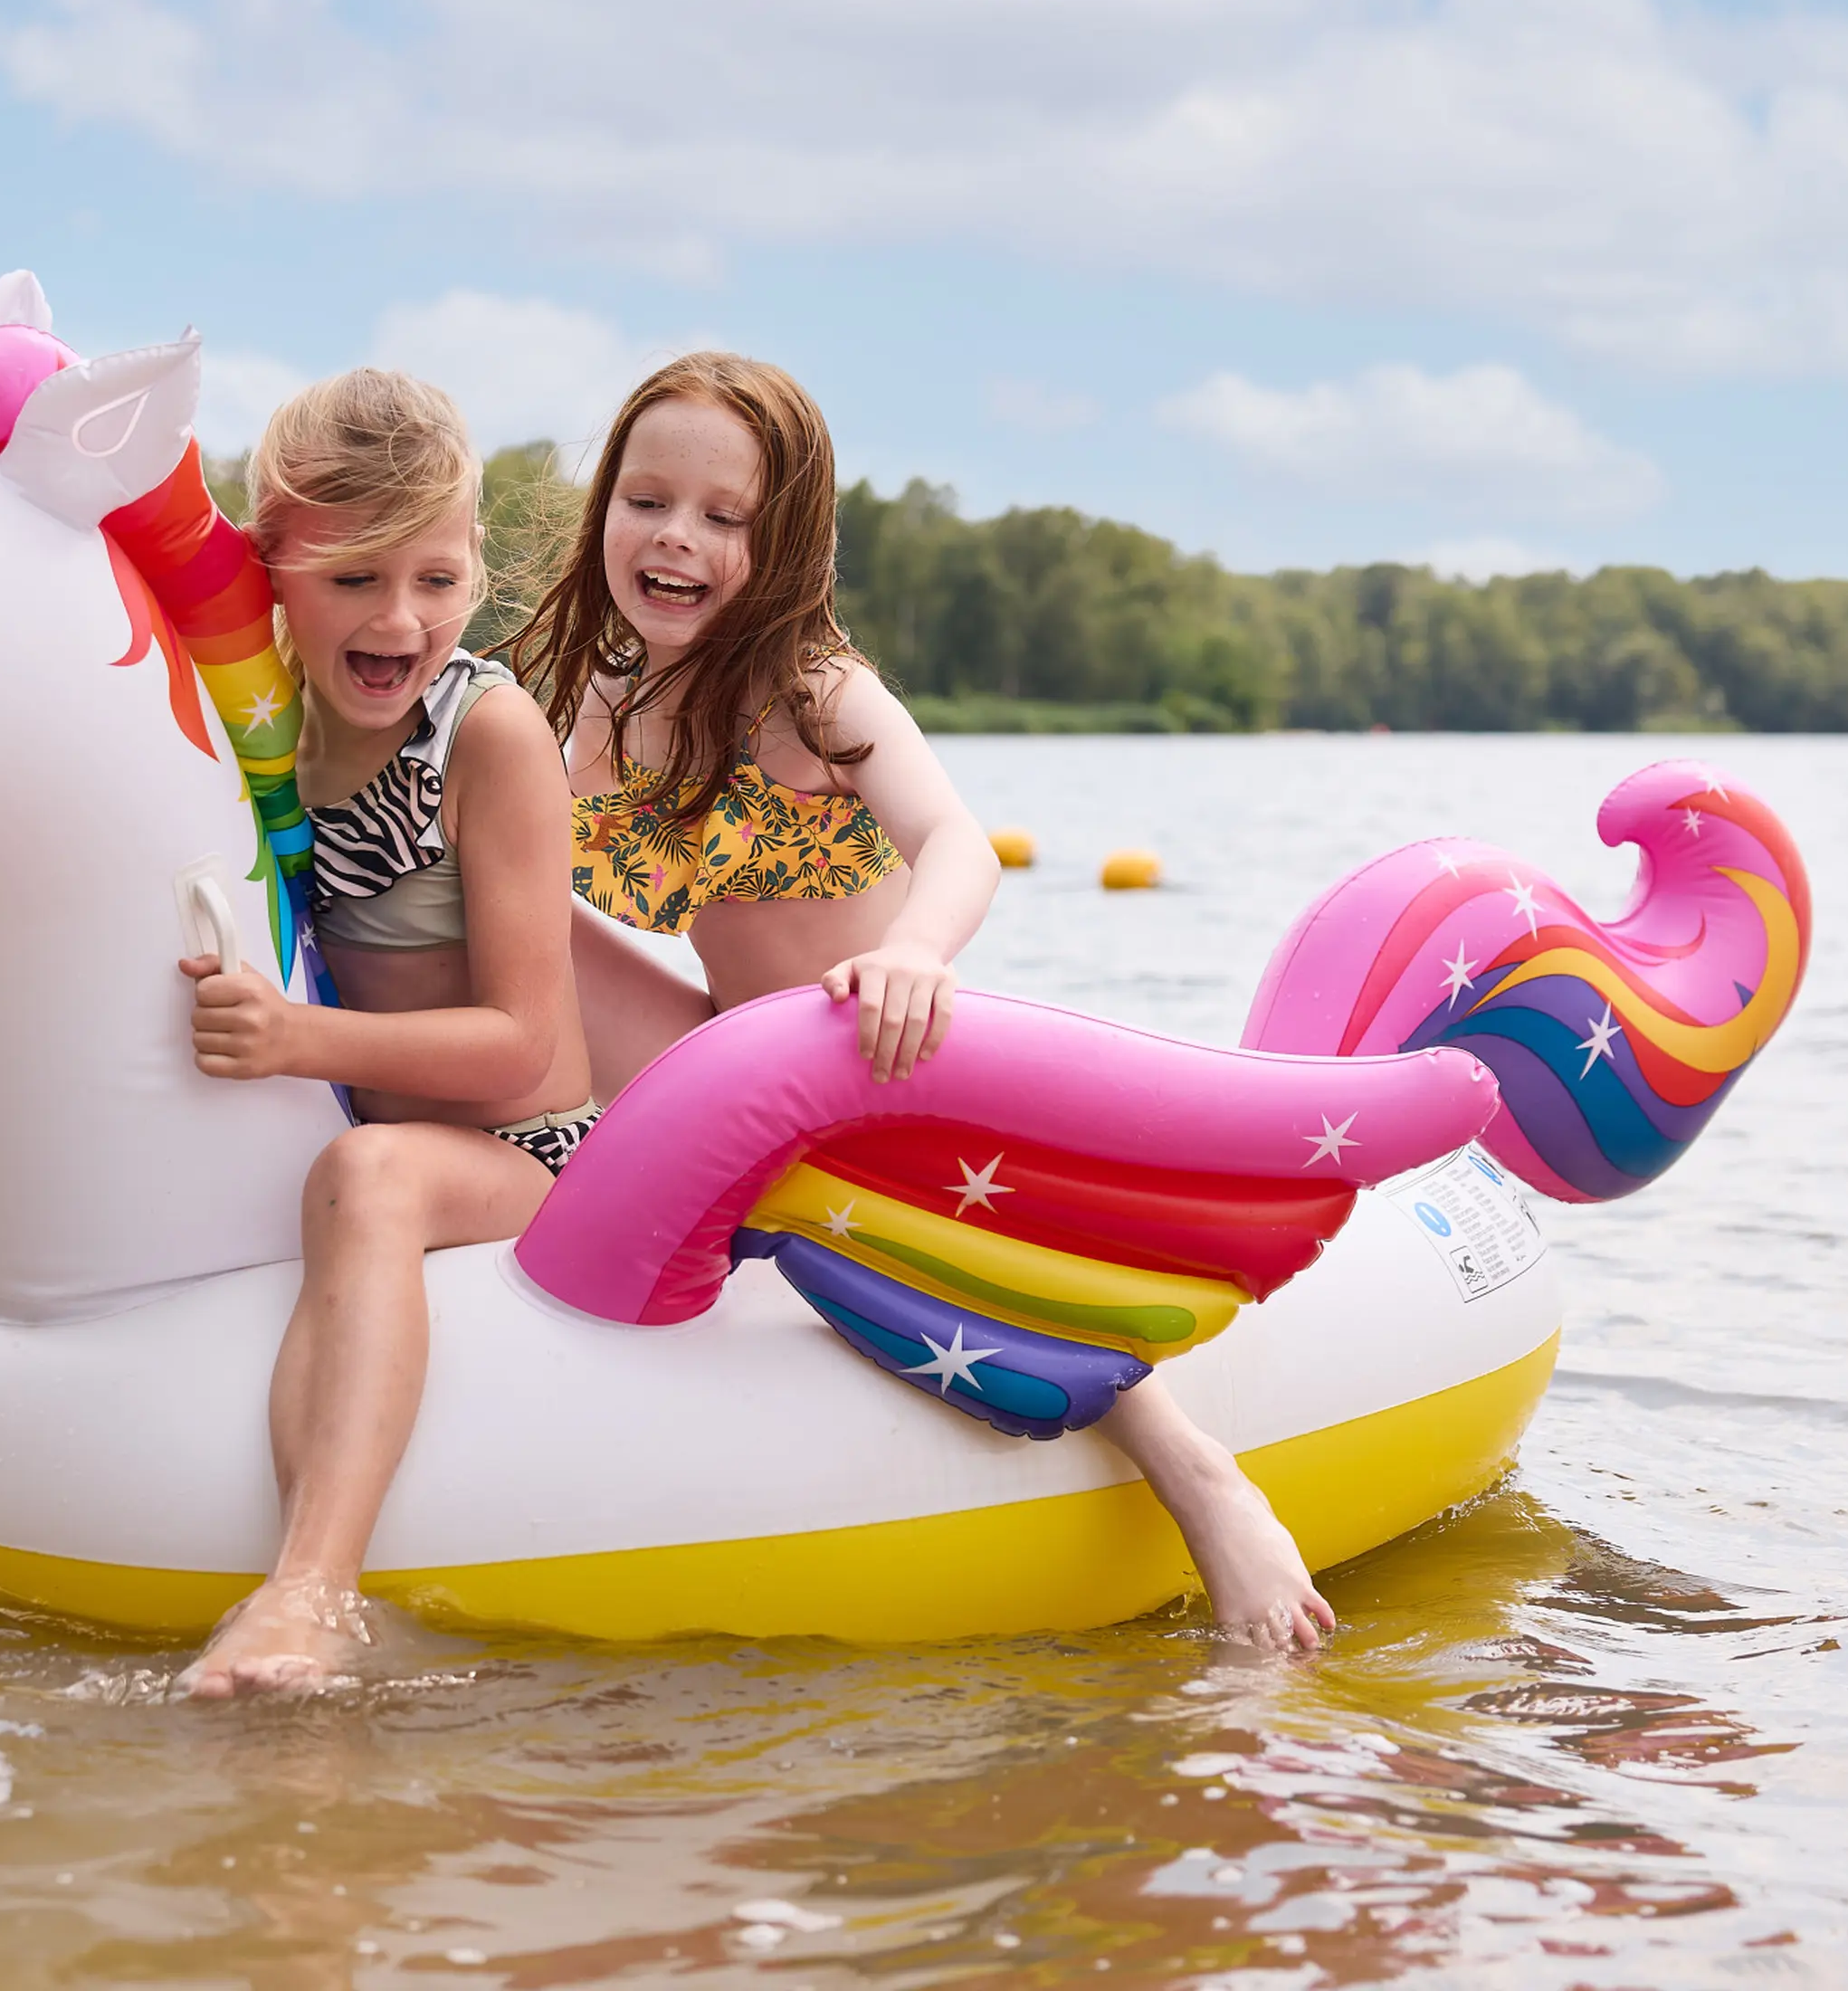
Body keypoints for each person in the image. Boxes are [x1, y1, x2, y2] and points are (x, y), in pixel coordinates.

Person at [509, 352, 1336, 1653]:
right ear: (605, 504)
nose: (675, 538)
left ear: (783, 545)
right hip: (721, 1074)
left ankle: (1195, 1472)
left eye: (724, 517)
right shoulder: (603, 712)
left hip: (879, 1073)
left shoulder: (819, 693)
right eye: (648, 501)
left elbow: (956, 843)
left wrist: (916, 954)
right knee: (496, 904)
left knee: (961, 1249)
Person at [170, 369, 594, 1697]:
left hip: (532, 1154)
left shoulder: (485, 735)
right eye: (354, 577)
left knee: (368, 1174)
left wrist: (297, 1042)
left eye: (437, 579)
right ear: (269, 568)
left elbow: (520, 1044)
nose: (399, 619)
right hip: (348, 1115)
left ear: (475, 568)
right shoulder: (252, 725)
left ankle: (310, 1593)